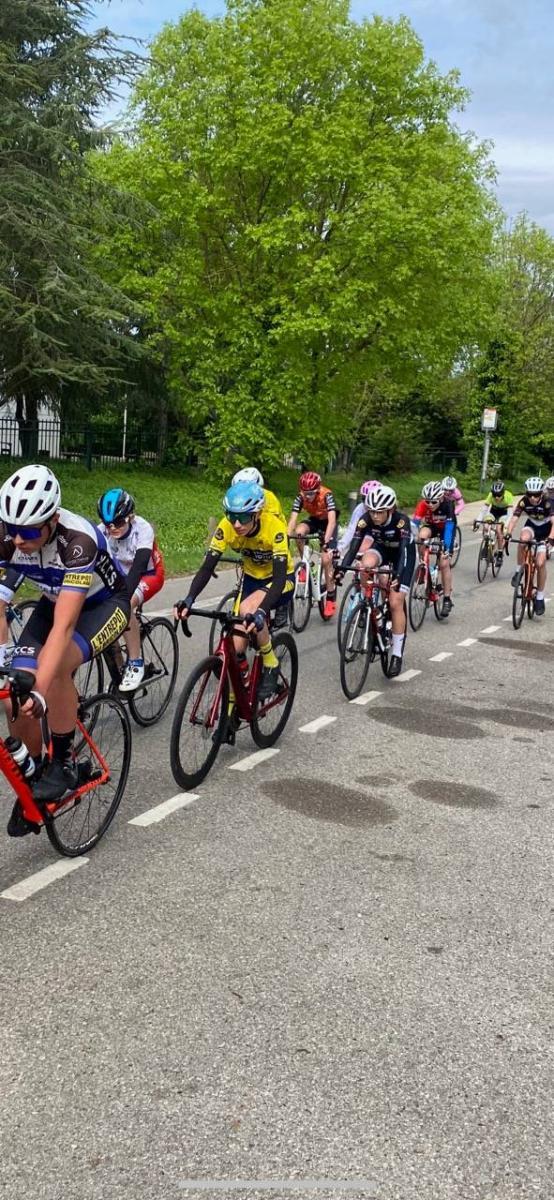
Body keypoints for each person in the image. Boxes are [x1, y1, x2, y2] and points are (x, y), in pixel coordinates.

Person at [0, 464, 130, 824]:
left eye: (27, 531)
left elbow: (64, 625)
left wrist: (40, 689)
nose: (18, 539)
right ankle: (38, 772)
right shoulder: (9, 536)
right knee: (14, 689)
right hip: (53, 600)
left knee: (52, 672)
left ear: (53, 519)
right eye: (11, 530)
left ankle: (64, 762)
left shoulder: (78, 541)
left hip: (104, 605)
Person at [174, 480, 294, 702]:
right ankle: (234, 706)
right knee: (235, 646)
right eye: (231, 515)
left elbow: (278, 580)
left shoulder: (274, 527)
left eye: (244, 517)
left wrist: (262, 611)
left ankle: (270, 662)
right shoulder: (227, 526)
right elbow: (207, 567)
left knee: (250, 608)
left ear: (257, 514)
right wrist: (189, 599)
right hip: (252, 579)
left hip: (280, 580)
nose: (237, 524)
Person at [338, 483, 414, 677]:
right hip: (381, 547)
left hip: (402, 553)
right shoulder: (365, 520)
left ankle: (396, 654)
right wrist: (342, 569)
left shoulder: (401, 521)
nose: (375, 516)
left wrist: (397, 574)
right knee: (365, 564)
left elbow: (404, 551)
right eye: (372, 512)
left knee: (396, 601)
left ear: (390, 509)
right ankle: (368, 602)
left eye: (380, 512)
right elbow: (354, 546)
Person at [97, 488, 165, 691]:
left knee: (124, 607)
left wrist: (121, 599)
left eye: (118, 523)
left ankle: (135, 663)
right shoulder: (102, 530)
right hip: (120, 576)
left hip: (148, 575)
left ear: (131, 517)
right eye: (108, 524)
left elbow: (139, 565)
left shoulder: (142, 529)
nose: (112, 529)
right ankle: (118, 667)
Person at [287, 471, 339, 617]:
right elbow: (293, 520)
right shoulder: (300, 497)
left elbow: (333, 521)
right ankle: (306, 563)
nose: (308, 496)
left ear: (317, 490)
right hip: (315, 520)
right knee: (299, 533)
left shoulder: (327, 495)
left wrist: (326, 542)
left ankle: (330, 595)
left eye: (311, 493)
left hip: (328, 523)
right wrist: (285, 537)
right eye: (305, 493)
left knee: (326, 558)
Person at [505, 477, 554, 615]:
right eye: (530, 494)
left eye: (536, 494)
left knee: (540, 563)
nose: (533, 498)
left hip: (545, 533)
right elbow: (514, 518)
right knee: (523, 539)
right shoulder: (524, 501)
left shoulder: (548, 503)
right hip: (531, 527)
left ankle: (539, 597)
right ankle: (518, 570)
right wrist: (508, 533)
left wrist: (550, 540)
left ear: (541, 493)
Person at [412, 481, 455, 615]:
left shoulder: (447, 505)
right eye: (427, 501)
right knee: (421, 536)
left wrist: (446, 548)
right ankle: (423, 565)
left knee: (444, 563)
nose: (430, 505)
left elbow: (449, 530)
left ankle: (447, 598)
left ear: (441, 498)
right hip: (431, 527)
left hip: (446, 531)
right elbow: (414, 524)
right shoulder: (423, 505)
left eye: (433, 502)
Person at [473, 480, 515, 564]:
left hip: (504, 513)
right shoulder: (490, 495)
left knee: (499, 530)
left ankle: (499, 553)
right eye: (495, 495)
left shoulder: (509, 496)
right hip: (494, 511)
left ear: (503, 493)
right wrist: (478, 522)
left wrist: (505, 526)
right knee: (486, 526)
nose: (496, 497)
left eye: (499, 495)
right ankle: (486, 546)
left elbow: (510, 514)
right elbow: (484, 510)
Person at [337, 480, 380, 557]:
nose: (366, 503)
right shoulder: (360, 508)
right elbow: (352, 529)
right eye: (364, 499)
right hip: (368, 533)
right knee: (357, 549)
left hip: (383, 535)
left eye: (370, 499)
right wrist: (340, 547)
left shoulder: (385, 510)